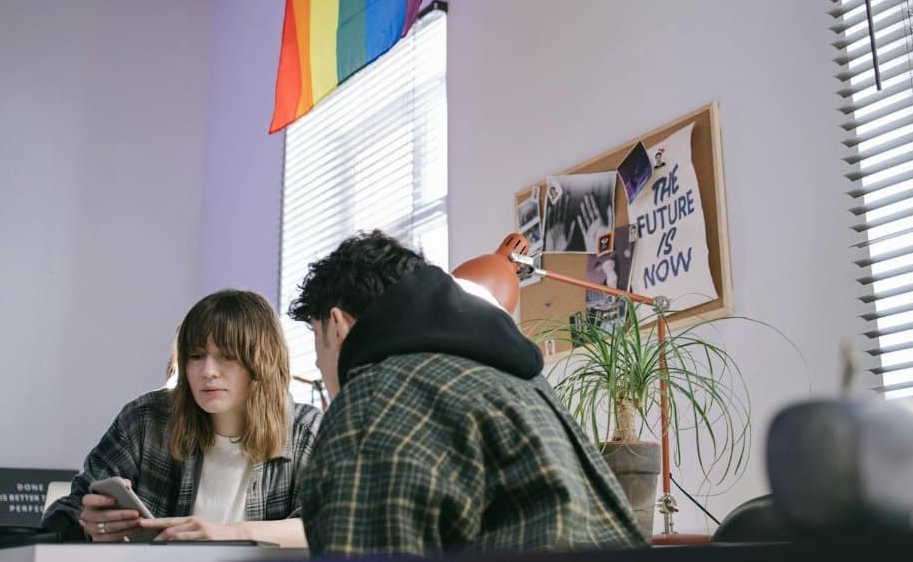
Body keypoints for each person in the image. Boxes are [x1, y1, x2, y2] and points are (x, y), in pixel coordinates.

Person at [289, 230, 646, 556]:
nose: (321, 369)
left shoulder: (372, 401)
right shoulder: (527, 384)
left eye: (317, 352)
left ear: (337, 326)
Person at [41, 290, 322, 546]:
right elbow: (72, 506)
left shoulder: (307, 432)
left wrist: (227, 534)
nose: (208, 371)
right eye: (197, 356)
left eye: (226, 356)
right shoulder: (145, 420)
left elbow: (323, 526)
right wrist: (89, 524)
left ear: (262, 362)